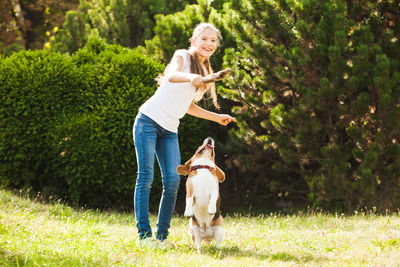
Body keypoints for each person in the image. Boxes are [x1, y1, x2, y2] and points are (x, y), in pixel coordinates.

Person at [133, 22, 236, 248]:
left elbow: (189, 106)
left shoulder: (207, 71)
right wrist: (190, 78)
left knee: (172, 181)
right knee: (146, 177)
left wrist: (217, 118)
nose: (208, 44)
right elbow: (170, 76)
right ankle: (144, 236)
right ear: (194, 41)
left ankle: (161, 237)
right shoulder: (182, 56)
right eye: (204, 39)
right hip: (147, 121)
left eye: (213, 41)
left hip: (169, 130)